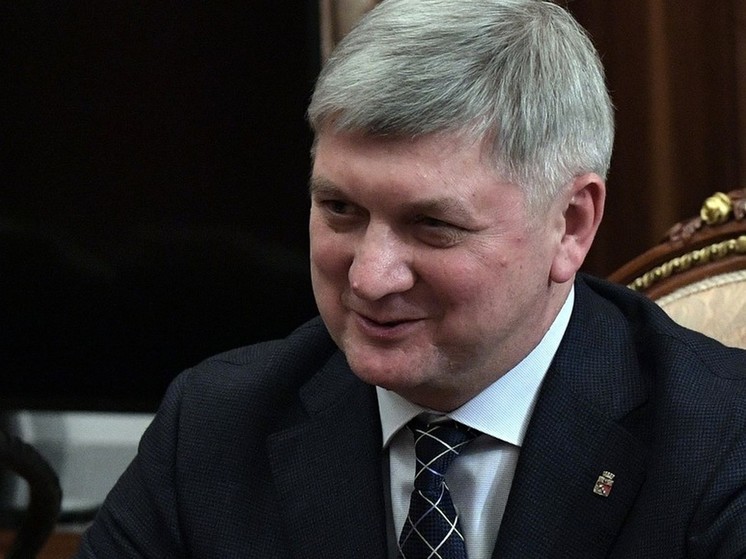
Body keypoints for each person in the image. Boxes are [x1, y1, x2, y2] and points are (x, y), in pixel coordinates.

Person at [75, 0, 746, 557]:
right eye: (340, 210)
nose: (369, 278)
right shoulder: (215, 426)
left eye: (431, 224)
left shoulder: (720, 443)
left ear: (569, 224)